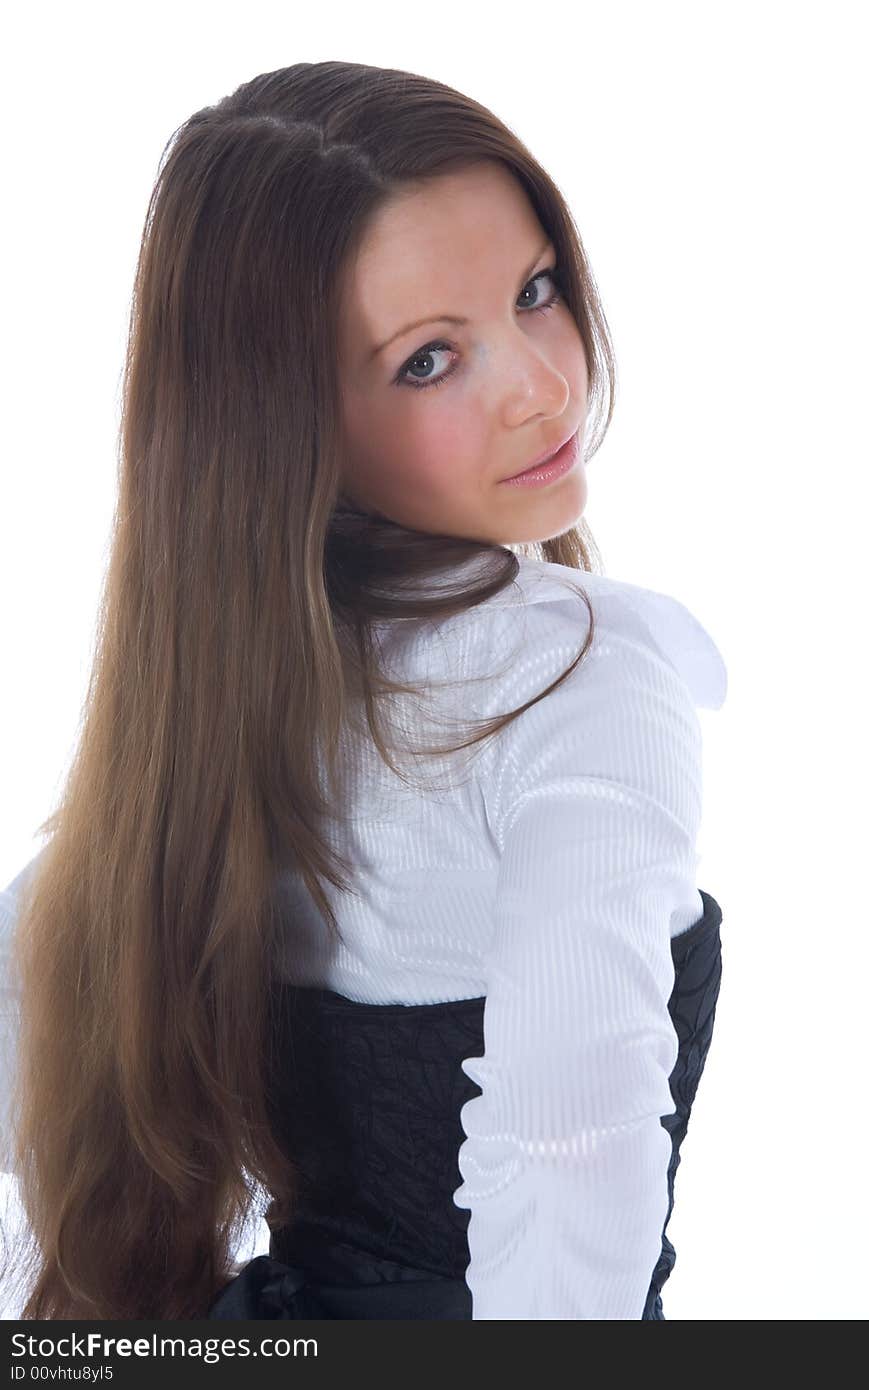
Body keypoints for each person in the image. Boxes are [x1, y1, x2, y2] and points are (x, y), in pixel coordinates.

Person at [0, 60, 727, 1321]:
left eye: (535, 289)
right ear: (289, 423)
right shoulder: (586, 677)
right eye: (429, 359)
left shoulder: (207, 692)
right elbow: (567, 1156)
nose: (541, 385)